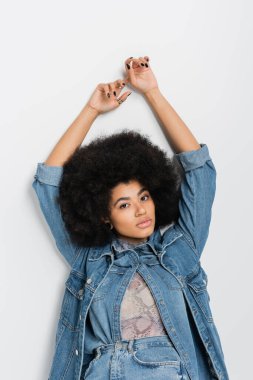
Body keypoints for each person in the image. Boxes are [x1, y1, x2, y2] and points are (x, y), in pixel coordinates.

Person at [32, 56, 229, 380]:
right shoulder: (88, 259)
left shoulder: (181, 250)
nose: (140, 210)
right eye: (123, 205)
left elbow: (200, 171)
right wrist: (91, 110)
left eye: (144, 197)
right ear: (103, 216)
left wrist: (152, 92)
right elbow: (48, 181)